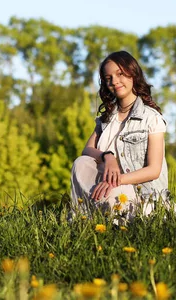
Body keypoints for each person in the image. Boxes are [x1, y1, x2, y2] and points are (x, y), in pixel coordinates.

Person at [70, 50, 169, 219]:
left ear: (133, 74)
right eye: (108, 78)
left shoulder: (151, 118)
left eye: (120, 74)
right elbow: (87, 150)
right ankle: (82, 219)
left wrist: (117, 180)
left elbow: (154, 170)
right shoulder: (107, 118)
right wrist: (108, 157)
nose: (114, 81)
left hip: (140, 195)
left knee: (114, 191)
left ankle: (117, 220)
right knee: (81, 163)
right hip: (109, 189)